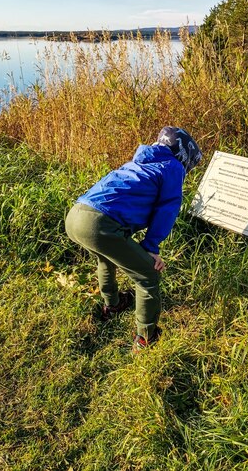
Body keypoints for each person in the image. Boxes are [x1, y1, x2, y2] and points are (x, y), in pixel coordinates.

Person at [65, 126, 202, 353]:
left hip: (76, 216)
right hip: (99, 224)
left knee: (105, 260)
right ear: (183, 154)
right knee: (147, 274)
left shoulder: (138, 162)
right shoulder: (173, 166)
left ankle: (114, 305)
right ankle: (147, 338)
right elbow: (167, 209)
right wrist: (150, 247)